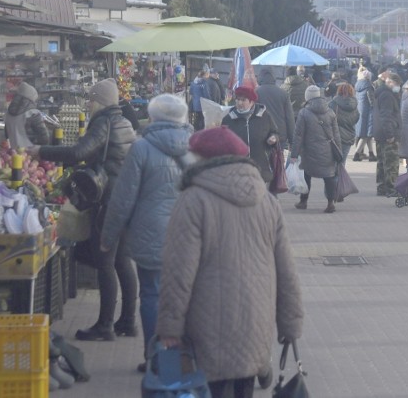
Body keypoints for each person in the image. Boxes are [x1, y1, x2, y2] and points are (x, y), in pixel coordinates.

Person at [157, 126, 304, 398]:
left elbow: (178, 271)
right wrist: (290, 323)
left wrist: (169, 325)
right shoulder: (267, 201)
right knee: (243, 388)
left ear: (203, 159)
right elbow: (287, 270)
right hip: (256, 321)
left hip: (207, 324)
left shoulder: (193, 200)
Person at [27, 78, 137, 341]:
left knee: (105, 263)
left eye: (90, 99)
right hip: (124, 198)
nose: (87, 103)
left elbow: (79, 152)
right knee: (122, 260)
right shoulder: (124, 122)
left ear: (99, 101)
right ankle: (128, 321)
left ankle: (105, 326)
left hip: (107, 201)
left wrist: (41, 150)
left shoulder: (103, 122)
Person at [100, 94, 193, 372]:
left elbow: (123, 198)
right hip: (188, 234)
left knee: (152, 294)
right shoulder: (194, 146)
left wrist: (109, 236)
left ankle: (155, 358)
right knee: (183, 296)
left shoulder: (141, 148)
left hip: (151, 233)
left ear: (153, 117)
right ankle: (179, 356)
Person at [290, 85, 341, 213]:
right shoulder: (330, 112)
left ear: (307, 97)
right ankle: (330, 203)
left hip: (308, 151)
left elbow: (298, 135)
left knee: (306, 175)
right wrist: (338, 152)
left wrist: (294, 153)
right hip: (328, 150)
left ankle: (303, 201)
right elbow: (336, 134)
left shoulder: (304, 112)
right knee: (329, 177)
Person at [221, 86, 279, 184]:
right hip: (237, 168)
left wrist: (273, 138)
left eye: (243, 100)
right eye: (238, 100)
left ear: (251, 102)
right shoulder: (228, 119)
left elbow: (274, 132)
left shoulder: (264, 116)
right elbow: (223, 141)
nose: (239, 103)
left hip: (260, 165)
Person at [373, 73, 402, 197]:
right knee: (391, 162)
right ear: (390, 82)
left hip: (380, 132)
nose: (398, 87)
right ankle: (391, 188)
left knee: (381, 161)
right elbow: (386, 116)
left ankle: (382, 187)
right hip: (387, 134)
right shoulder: (388, 96)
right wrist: (390, 134)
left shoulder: (381, 93)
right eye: (397, 84)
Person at [255, 69, 294, 150]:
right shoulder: (283, 94)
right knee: (279, 161)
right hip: (280, 136)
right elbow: (289, 118)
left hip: (261, 135)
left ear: (260, 78)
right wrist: (292, 141)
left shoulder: (256, 92)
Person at [4, 82, 49, 149]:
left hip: (13, 155)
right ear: (31, 100)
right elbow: (44, 139)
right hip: (31, 155)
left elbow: (6, 135)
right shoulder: (33, 114)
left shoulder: (8, 114)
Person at [329, 82, 359, 162]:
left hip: (335, 136)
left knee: (332, 163)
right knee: (342, 162)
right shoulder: (355, 105)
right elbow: (356, 119)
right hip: (349, 137)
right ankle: (341, 174)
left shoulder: (333, 103)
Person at [352, 68, 377, 162]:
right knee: (365, 135)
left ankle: (371, 154)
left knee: (367, 135)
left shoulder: (358, 85)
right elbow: (372, 101)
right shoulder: (368, 86)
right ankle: (357, 154)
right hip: (368, 112)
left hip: (360, 111)